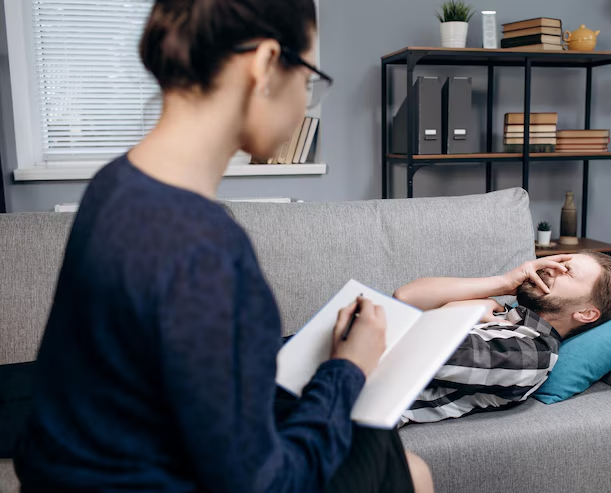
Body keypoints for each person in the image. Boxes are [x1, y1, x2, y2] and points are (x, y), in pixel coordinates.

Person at [13, 1, 432, 492]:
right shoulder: (203, 250)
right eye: (308, 78)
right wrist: (348, 368)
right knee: (398, 460)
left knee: (408, 467)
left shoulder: (115, 186)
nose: (304, 102)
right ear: (265, 65)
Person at [393, 251, 611, 425]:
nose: (550, 268)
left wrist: (456, 310)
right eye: (558, 263)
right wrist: (503, 283)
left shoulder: (531, 354)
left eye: (568, 272)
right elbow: (405, 297)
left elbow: (404, 352)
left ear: (586, 313)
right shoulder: (500, 314)